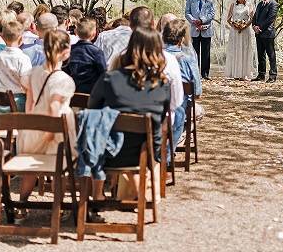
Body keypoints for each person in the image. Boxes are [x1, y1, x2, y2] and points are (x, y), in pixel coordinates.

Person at [88, 27, 170, 201]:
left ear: (131, 46)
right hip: (143, 155)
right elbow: (161, 123)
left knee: (94, 127)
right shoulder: (162, 85)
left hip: (106, 154)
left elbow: (92, 110)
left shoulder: (110, 78)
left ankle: (97, 195)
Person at [15, 30, 76, 220]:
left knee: (30, 171)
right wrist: (50, 133)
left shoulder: (33, 73)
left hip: (33, 126)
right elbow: (54, 107)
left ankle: (21, 205)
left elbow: (30, 103)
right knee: (61, 169)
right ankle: (59, 207)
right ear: (66, 51)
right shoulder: (63, 80)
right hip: (55, 128)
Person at [162, 19, 202, 146]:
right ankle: (179, 137)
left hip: (155, 107)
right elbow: (197, 92)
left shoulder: (153, 56)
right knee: (199, 112)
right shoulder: (188, 59)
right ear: (182, 39)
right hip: (179, 109)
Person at [0, 21, 32, 112]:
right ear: (21, 39)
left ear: (2, 37)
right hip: (19, 98)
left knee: (5, 124)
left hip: (2, 98)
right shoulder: (23, 58)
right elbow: (26, 81)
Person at [64, 17, 108, 94]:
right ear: (94, 34)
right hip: (92, 92)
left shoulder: (71, 50)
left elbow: (65, 69)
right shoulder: (97, 52)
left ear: (76, 31)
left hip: (73, 91)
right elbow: (103, 73)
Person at [184, 0, 215, 80]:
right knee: (194, 52)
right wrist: (194, 21)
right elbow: (187, 13)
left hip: (206, 30)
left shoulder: (210, 2)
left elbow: (212, 14)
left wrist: (202, 21)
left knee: (206, 53)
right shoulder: (190, 0)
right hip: (194, 30)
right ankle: (194, 73)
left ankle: (205, 74)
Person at [225, 0, 255, 80]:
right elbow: (228, 19)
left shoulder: (249, 5)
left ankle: (244, 73)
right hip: (234, 31)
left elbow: (252, 18)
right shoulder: (233, 5)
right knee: (235, 50)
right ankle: (235, 73)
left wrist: (245, 26)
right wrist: (234, 25)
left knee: (244, 49)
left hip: (245, 31)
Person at [252, 0, 279, 83]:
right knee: (260, 55)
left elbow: (270, 19)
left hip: (267, 33)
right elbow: (255, 16)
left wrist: (260, 28)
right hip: (258, 34)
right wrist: (254, 26)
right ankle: (261, 74)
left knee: (271, 55)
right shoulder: (260, 4)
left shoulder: (274, 4)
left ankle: (272, 75)